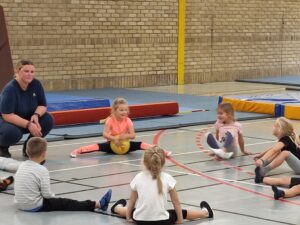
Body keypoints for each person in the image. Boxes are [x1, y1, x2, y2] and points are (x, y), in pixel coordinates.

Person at [110, 146, 213, 224]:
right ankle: (205, 212)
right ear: (162, 163)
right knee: (182, 212)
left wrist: (129, 218)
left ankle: (116, 208)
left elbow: (132, 201)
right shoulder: (167, 178)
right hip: (162, 221)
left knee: (133, 211)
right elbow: (176, 202)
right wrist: (180, 219)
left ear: (145, 163)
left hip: (140, 220)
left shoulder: (138, 177)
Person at [14, 137, 112, 212]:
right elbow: (47, 195)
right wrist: (54, 198)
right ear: (44, 154)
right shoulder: (41, 169)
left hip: (20, 204)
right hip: (35, 206)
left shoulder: (22, 165)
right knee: (66, 203)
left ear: (27, 152)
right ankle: (97, 204)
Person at [70, 97, 171, 157]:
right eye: (121, 110)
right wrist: (114, 138)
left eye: (125, 110)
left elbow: (133, 135)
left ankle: (162, 151)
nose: (124, 112)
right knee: (97, 146)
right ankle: (78, 151)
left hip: (126, 144)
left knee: (142, 145)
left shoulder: (128, 121)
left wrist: (125, 136)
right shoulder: (110, 120)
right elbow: (104, 134)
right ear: (115, 111)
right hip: (113, 144)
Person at [0, 60, 53, 158]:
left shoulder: (36, 84)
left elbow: (42, 105)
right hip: (9, 123)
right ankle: (2, 147)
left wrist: (36, 115)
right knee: (12, 133)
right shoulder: (10, 89)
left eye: (32, 72)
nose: (30, 74)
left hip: (29, 118)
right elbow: (7, 115)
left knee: (48, 120)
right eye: (26, 71)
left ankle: (29, 147)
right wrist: (28, 124)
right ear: (18, 72)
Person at [254, 117, 300, 183]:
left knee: (285, 153)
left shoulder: (286, 139)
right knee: (279, 151)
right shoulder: (285, 139)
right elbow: (273, 148)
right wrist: (261, 155)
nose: (272, 127)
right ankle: (263, 165)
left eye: (274, 126)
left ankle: (264, 170)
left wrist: (262, 159)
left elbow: (274, 150)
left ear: (280, 129)